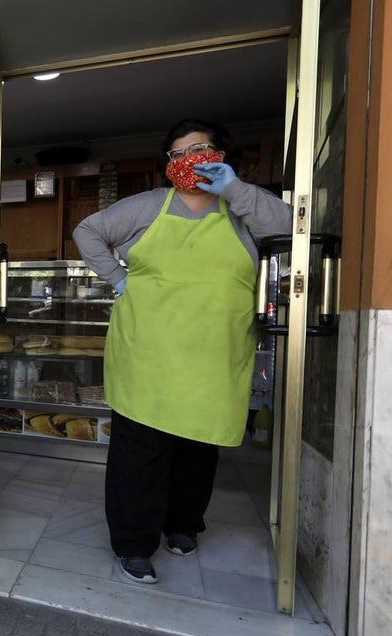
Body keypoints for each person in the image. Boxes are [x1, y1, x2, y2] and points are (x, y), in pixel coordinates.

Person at [72, 119, 291, 584]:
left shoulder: (242, 208)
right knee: (140, 453)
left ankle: (183, 524)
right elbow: (87, 231)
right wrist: (119, 279)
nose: (189, 159)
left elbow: (291, 229)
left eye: (200, 149)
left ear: (221, 156)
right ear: (168, 164)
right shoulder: (148, 206)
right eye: (178, 154)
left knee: (197, 448)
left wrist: (236, 190)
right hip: (147, 352)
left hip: (215, 355)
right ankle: (134, 543)